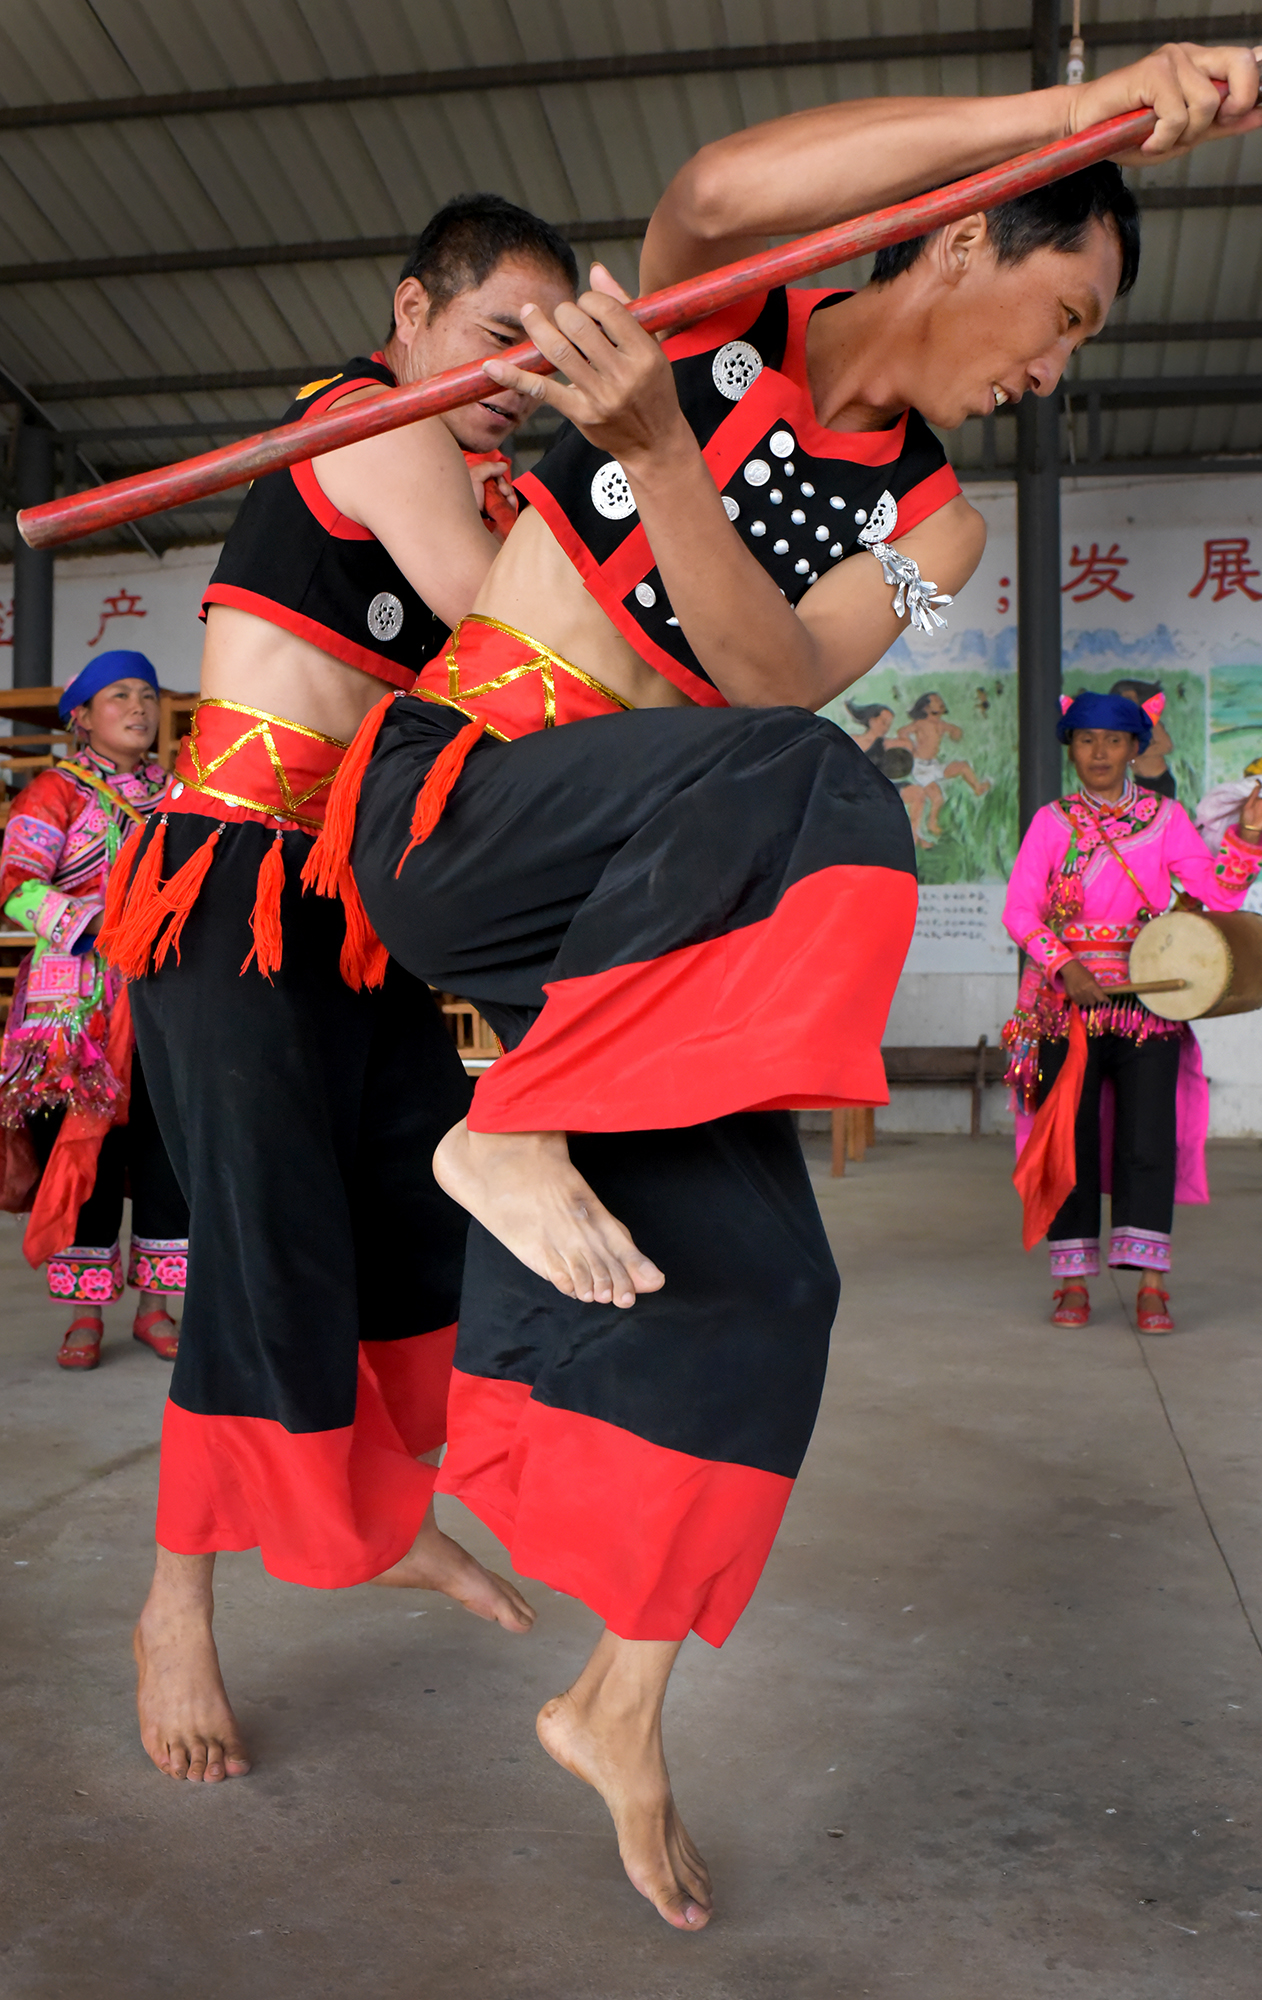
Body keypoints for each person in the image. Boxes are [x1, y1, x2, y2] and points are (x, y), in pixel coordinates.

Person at [334, 38, 1262, 1931]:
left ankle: (618, 1697)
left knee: (775, 1284)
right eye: (1061, 309)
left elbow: (775, 679)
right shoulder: (720, 302)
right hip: (458, 809)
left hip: (617, 911)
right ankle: (513, 1130)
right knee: (810, 794)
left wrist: (664, 459)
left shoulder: (938, 532)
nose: (1051, 368)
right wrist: (1059, 121)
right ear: (956, 248)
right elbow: (726, 175)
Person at [100, 195, 580, 1785]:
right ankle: (179, 1605)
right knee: (264, 1254)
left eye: (545, 341)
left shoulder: (481, 464)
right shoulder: (377, 421)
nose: (514, 366)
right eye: (496, 330)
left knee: (409, 1227)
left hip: (354, 910)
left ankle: (373, 1512)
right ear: (410, 315)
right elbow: (494, 627)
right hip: (231, 888)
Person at [1002, 689, 1262, 1332]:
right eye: (1087, 739)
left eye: (1115, 740)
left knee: (1148, 1140)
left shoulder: (1165, 818)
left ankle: (1153, 1282)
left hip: (1147, 1006)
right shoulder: (1052, 821)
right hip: (1063, 1009)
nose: (1100, 752)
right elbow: (1021, 911)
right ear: (1072, 748)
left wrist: (1251, 832)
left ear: (1136, 748)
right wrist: (1067, 967)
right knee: (1068, 1142)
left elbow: (1215, 891)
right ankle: (1072, 1283)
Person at [0, 653, 188, 1370]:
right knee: (85, 1152)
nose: (139, 707)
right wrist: (100, 924)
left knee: (167, 1148)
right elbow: (16, 886)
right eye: (120, 696)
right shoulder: (53, 792)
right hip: (71, 1011)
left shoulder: (177, 795)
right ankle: (84, 1315)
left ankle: (156, 1310)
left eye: (148, 694)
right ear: (81, 715)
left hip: (162, 998)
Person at [894, 689, 992, 842]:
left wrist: (955, 732)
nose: (941, 702)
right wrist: (910, 747)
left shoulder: (941, 724)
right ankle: (931, 823)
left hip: (934, 765)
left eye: (940, 701)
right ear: (926, 708)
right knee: (938, 798)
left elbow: (955, 731)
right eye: (936, 701)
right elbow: (902, 732)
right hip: (921, 768)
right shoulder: (920, 724)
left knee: (962, 766)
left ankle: (977, 788)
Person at [1110, 676, 1176, 798]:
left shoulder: (1149, 721)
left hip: (1159, 781)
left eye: (1131, 699)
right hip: (1139, 782)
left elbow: (1166, 746)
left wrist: (1138, 752)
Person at [845, 698, 912, 780]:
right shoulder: (853, 739)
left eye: (888, 725)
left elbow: (907, 746)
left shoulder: (886, 743)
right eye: (883, 722)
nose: (886, 728)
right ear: (871, 720)